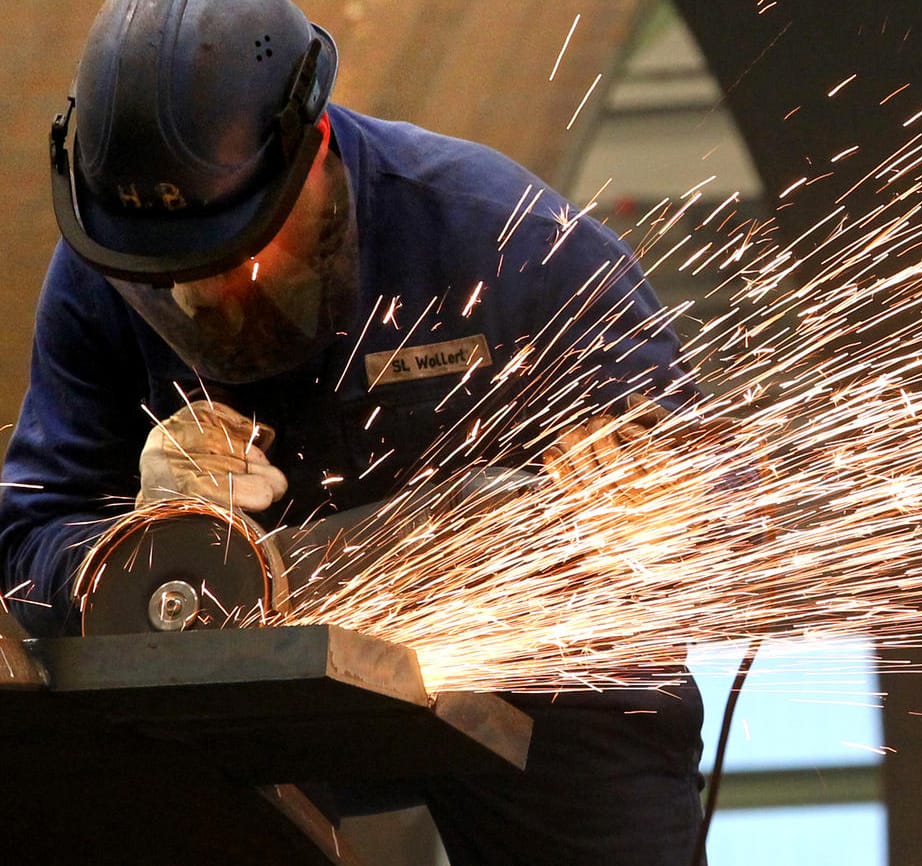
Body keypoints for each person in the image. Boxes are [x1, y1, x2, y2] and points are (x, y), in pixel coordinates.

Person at [0, 0, 707, 862]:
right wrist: (127, 548)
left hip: (544, 684)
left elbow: (716, 505)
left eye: (234, 259)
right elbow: (28, 535)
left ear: (314, 155)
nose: (192, 300)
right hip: (241, 686)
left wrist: (668, 512)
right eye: (164, 280)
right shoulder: (100, 278)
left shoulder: (503, 239)